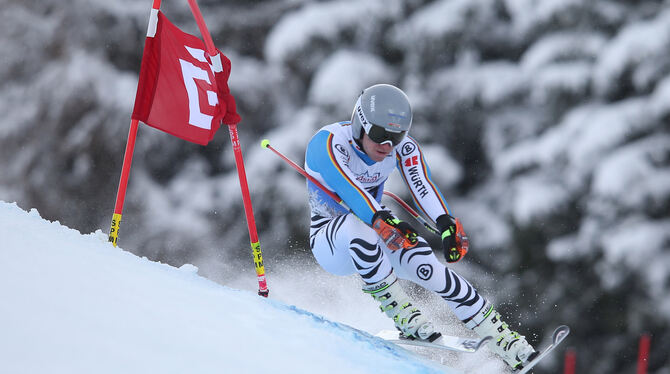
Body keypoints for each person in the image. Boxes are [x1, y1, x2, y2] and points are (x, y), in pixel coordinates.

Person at [304, 84, 538, 370]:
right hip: (332, 242)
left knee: (425, 262)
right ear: (358, 125)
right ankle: (400, 311)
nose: (387, 145)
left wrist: (446, 224)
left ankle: (503, 340)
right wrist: (380, 219)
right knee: (359, 225)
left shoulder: (403, 148)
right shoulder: (327, 143)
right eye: (379, 134)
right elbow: (349, 188)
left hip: (377, 228)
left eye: (396, 136)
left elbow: (422, 185)